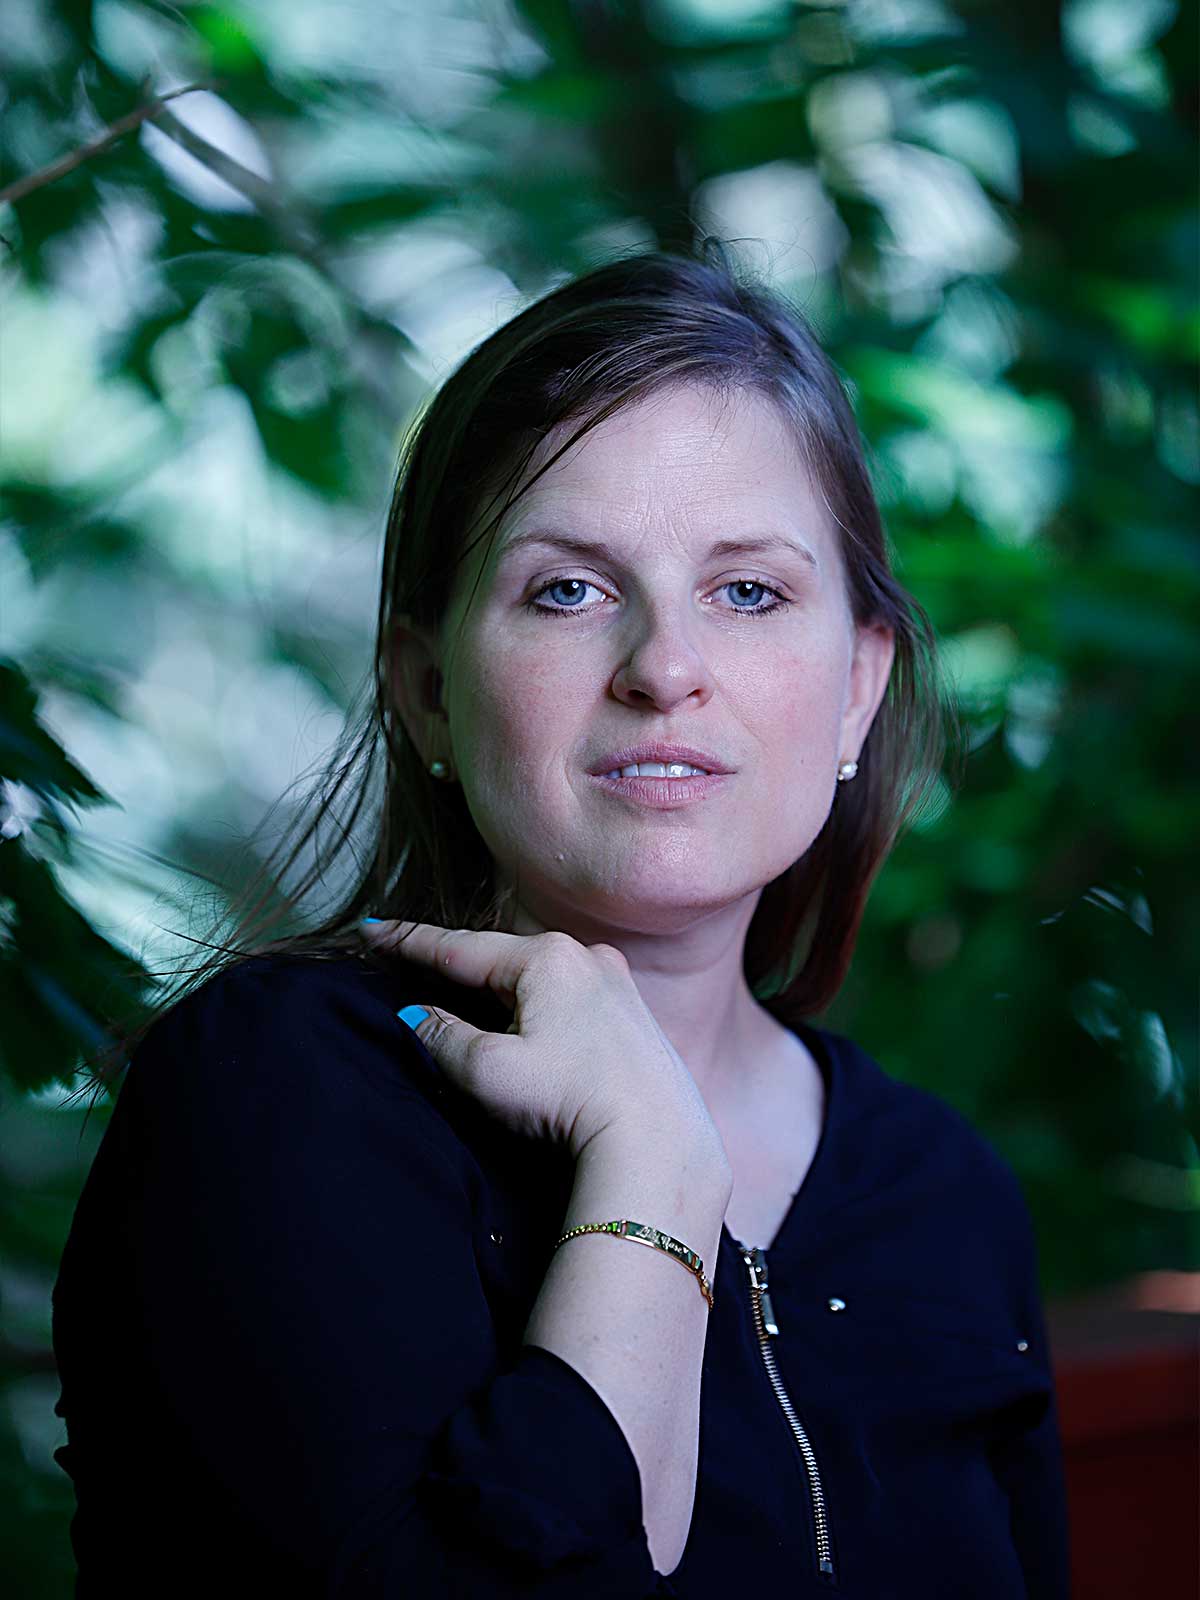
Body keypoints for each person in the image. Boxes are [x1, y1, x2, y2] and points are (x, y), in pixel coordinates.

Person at [51, 245, 1070, 1596]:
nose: (664, 670)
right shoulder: (275, 1089)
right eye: (567, 589)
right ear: (423, 688)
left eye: (748, 590)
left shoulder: (941, 1192)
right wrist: (652, 1179)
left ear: (857, 691)